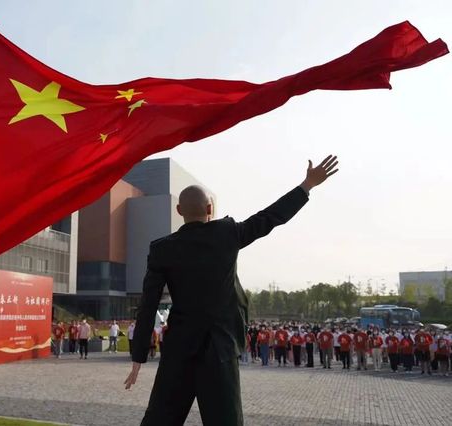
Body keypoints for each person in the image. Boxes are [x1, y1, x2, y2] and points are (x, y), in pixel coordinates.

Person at [124, 155, 339, 426]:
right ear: (210, 208)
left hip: (179, 349)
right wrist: (306, 186)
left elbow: (148, 305)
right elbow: (269, 218)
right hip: (220, 351)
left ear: (179, 210)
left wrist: (138, 356)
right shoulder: (227, 234)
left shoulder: (162, 249)